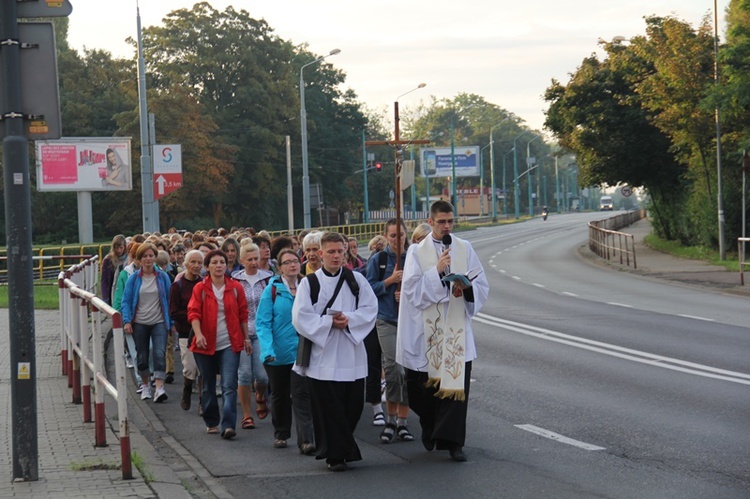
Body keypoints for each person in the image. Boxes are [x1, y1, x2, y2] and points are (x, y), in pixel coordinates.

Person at [397, 200, 489, 462]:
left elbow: (481, 283)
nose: (447, 226)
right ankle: (430, 423)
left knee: (455, 386)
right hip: (426, 333)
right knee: (420, 390)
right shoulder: (416, 252)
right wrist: (437, 272)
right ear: (431, 221)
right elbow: (413, 291)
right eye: (441, 222)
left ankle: (453, 443)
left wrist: (467, 286)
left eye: (450, 221)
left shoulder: (465, 248)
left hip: (456, 328)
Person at [292, 232, 378, 472]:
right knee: (328, 409)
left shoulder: (356, 280)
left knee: (352, 407)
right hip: (323, 355)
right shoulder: (310, 283)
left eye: (340, 251)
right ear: (320, 253)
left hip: (351, 351)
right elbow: (300, 317)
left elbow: (371, 308)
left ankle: (340, 447)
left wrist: (348, 319)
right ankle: (335, 455)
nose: (336, 256)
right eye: (331, 251)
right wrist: (330, 323)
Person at [256, 248, 315, 454]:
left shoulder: (308, 286)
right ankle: (281, 433)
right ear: (279, 267)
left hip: (302, 351)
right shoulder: (271, 289)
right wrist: (267, 349)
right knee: (280, 394)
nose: (293, 265)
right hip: (277, 353)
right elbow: (262, 322)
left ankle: (306, 440)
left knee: (301, 394)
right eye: (287, 262)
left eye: (295, 261)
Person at [188, 249, 251, 439]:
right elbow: (193, 313)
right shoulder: (200, 288)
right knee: (208, 384)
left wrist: (246, 337)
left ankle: (229, 425)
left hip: (230, 343)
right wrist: (198, 334)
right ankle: (212, 420)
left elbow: (243, 314)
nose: (218, 266)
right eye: (214, 262)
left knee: (229, 384)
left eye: (222, 262)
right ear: (207, 267)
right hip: (205, 343)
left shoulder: (235, 287)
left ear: (226, 265)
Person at [366, 219, 414, 443]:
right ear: (385, 236)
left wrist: (405, 294)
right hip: (386, 320)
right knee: (393, 370)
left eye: (401, 235)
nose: (397, 240)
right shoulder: (379, 260)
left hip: (410, 321)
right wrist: (389, 283)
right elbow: (368, 289)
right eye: (393, 236)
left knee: (407, 373)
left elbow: (424, 285)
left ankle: (402, 423)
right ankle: (390, 420)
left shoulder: (413, 258)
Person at [121, 242, 173, 402]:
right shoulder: (134, 279)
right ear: (139, 259)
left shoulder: (163, 277)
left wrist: (171, 322)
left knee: (159, 353)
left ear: (155, 258)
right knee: (142, 356)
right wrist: (127, 321)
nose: (148, 259)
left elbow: (169, 300)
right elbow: (126, 301)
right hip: (140, 323)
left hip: (159, 322)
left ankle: (159, 387)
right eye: (145, 256)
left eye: (151, 256)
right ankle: (145, 385)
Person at [232, 242, 272, 430]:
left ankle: (260, 395)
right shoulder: (236, 280)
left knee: (263, 376)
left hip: (262, 331)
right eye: (250, 260)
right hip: (242, 332)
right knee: (245, 374)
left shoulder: (268, 279)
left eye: (256, 258)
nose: (254, 262)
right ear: (242, 261)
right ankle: (247, 414)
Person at [169, 249, 203, 411]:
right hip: (185, 333)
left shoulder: (204, 284)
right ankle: (187, 389)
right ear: (186, 264)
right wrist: (193, 315)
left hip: (204, 332)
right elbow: (173, 311)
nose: (196, 266)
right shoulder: (178, 286)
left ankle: (204, 403)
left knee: (204, 369)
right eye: (193, 262)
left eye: (199, 263)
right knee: (190, 367)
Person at [101, 234, 127, 306]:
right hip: (111, 291)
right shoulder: (108, 260)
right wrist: (105, 297)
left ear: (124, 246)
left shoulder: (128, 259)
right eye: (116, 248)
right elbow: (104, 280)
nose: (119, 250)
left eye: (121, 248)